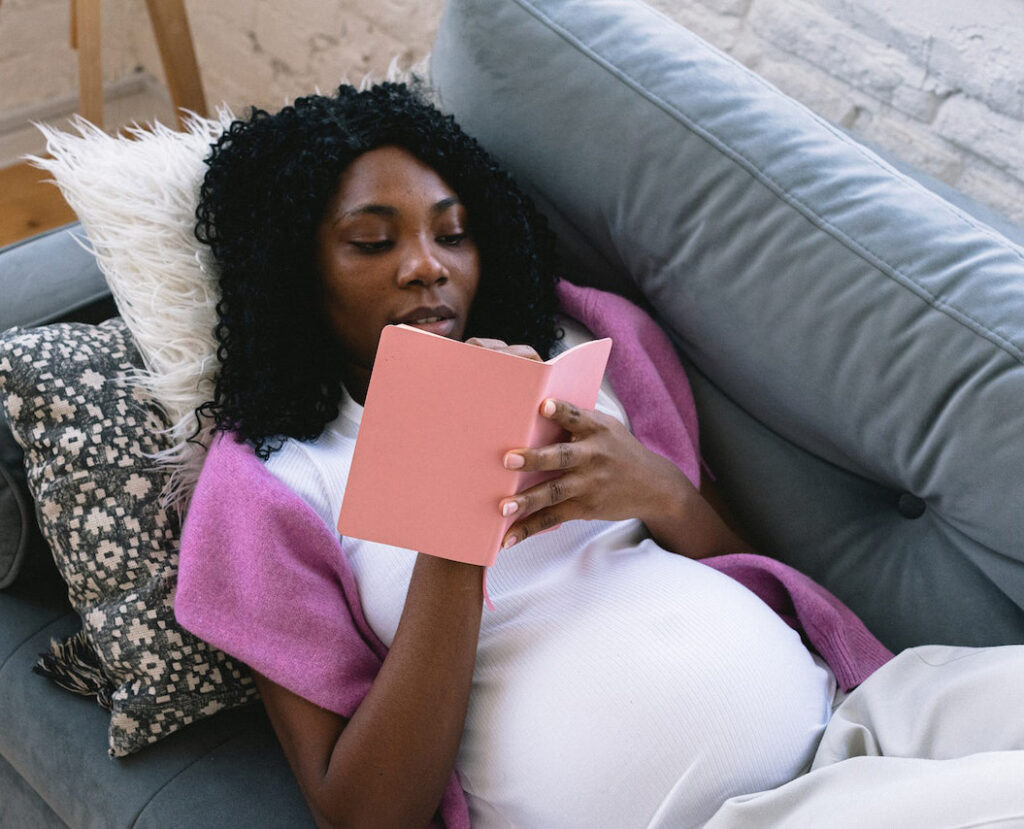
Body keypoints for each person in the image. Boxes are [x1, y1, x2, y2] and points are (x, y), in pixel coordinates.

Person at [175, 83, 1024, 828]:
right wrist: (451, 525)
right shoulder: (276, 479)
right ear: (295, 271)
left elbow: (747, 567)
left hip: (861, 714)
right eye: (372, 241)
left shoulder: (587, 340)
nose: (427, 267)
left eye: (454, 233)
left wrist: (662, 493)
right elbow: (363, 808)